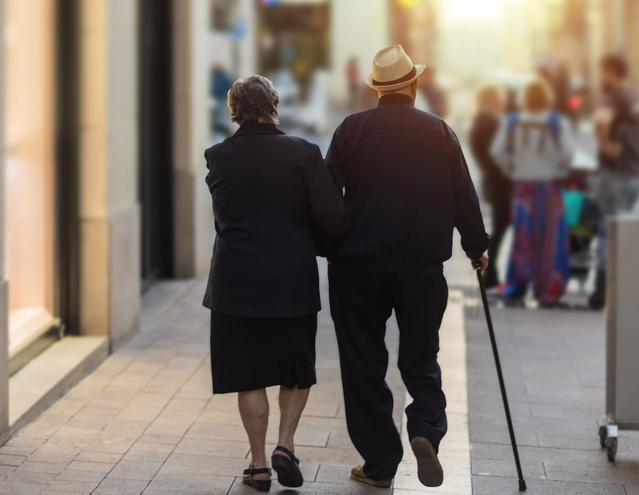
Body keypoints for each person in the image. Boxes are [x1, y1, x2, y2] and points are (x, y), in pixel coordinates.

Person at [325, 45, 488, 489]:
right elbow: (463, 197)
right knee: (420, 357)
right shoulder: (438, 132)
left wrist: (332, 243)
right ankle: (425, 429)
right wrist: (477, 248)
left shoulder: (351, 129)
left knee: (363, 363)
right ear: (414, 85)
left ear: (377, 89)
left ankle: (379, 463)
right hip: (420, 269)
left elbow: (325, 196)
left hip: (357, 267)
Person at [202, 75, 348, 492]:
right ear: (275, 105)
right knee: (295, 368)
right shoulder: (303, 153)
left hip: (236, 280)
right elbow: (333, 218)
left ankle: (259, 463)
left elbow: (223, 217)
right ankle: (286, 444)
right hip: (291, 279)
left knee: (248, 374)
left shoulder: (218, 156)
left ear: (233, 111)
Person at [491, 77, 575, 307]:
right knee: (550, 240)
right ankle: (547, 287)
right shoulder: (557, 122)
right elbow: (568, 152)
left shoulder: (512, 122)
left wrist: (511, 167)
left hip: (522, 186)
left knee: (523, 238)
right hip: (548, 186)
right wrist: (558, 168)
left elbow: (497, 150)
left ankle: (518, 284)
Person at [589, 54, 639, 310]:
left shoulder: (613, 98)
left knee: (605, 231)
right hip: (637, 174)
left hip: (615, 173)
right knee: (622, 230)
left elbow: (600, 122)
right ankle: (624, 286)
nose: (600, 77)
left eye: (603, 72)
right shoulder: (636, 98)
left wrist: (604, 144)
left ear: (612, 72)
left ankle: (601, 290)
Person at [469, 85, 510, 288]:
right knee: (502, 224)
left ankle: (492, 273)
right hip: (501, 180)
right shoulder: (491, 120)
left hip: (493, 179)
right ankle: (491, 273)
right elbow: (499, 151)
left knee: (501, 224)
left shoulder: (481, 120)